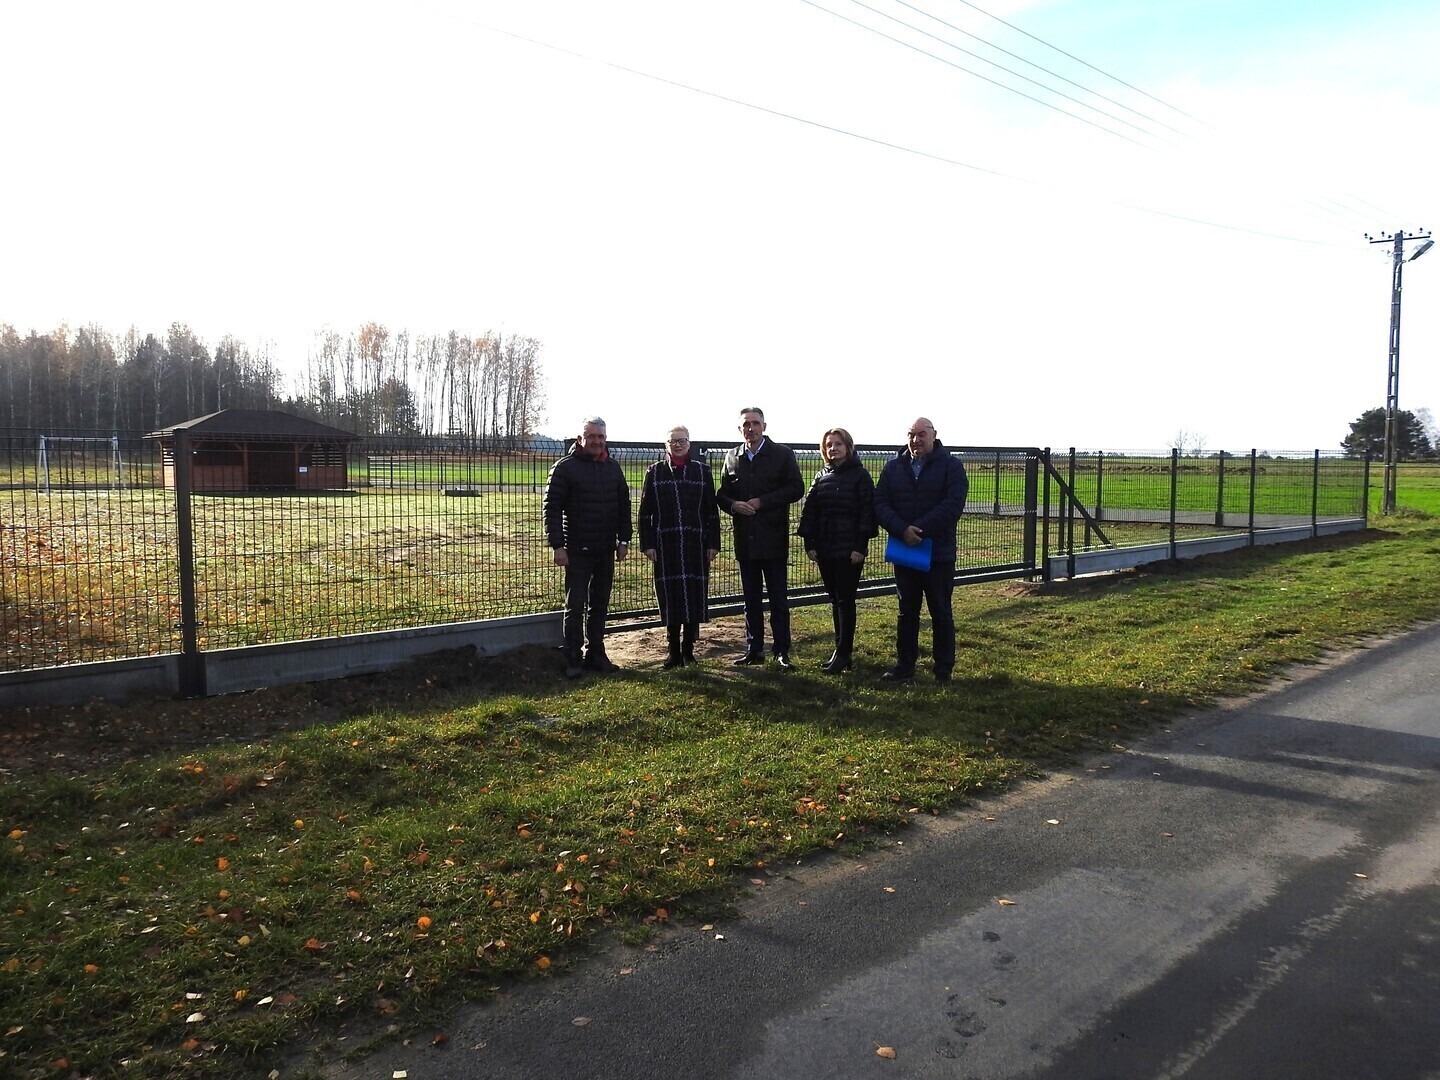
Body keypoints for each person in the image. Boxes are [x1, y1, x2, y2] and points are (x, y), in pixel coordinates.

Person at [873, 417, 969, 682]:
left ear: (934, 435)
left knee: (940, 611)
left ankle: (943, 670)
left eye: (921, 434)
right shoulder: (893, 467)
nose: (915, 440)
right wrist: (902, 529)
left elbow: (953, 505)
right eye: (911, 435)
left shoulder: (951, 467)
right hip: (905, 550)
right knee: (907, 611)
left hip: (938, 551)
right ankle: (905, 666)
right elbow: (880, 503)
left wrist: (920, 530)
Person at [543, 416, 632, 678]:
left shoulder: (613, 468)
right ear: (580, 439)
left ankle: (597, 654)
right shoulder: (565, 468)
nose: (596, 441)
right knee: (575, 605)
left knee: (600, 604)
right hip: (576, 549)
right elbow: (552, 509)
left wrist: (624, 540)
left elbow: (623, 505)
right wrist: (558, 545)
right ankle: (573, 656)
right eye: (591, 436)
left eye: (601, 436)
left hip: (605, 549)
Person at [718, 407, 805, 667]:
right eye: (746, 424)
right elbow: (722, 494)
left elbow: (796, 488)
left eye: (755, 423)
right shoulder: (732, 457)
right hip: (745, 541)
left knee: (778, 599)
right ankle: (754, 649)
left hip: (773, 539)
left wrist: (763, 502)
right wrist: (733, 505)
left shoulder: (782, 454)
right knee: (751, 600)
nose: (751, 428)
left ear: (764, 427)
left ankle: (781, 651)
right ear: (740, 429)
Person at [638, 425, 721, 669]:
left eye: (682, 440)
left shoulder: (702, 471)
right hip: (666, 544)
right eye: (673, 441)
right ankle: (673, 651)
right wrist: (648, 544)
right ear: (666, 445)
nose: (677, 445)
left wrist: (713, 543)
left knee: (694, 597)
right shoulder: (654, 472)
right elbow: (645, 513)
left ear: (689, 444)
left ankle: (688, 651)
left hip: (696, 543)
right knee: (671, 597)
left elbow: (711, 512)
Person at [797, 427, 877, 674]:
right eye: (829, 444)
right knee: (835, 599)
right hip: (825, 547)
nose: (833, 448)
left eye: (838, 444)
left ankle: (844, 653)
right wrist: (809, 543)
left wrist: (860, 546)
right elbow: (810, 510)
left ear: (848, 447)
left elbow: (867, 513)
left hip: (848, 549)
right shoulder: (821, 475)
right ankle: (840, 651)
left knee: (845, 600)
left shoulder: (861, 476)